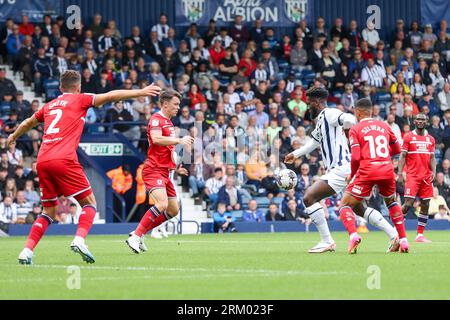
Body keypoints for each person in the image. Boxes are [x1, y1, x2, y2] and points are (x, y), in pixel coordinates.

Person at [8, 70, 162, 265]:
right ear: (79, 87)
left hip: (43, 160)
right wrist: (139, 92)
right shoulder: (80, 99)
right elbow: (110, 95)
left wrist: (13, 136)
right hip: (64, 158)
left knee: (49, 211)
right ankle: (79, 240)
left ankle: (26, 251)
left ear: (60, 88)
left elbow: (29, 122)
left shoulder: (49, 105)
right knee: (90, 204)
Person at [285, 88, 399, 253]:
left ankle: (327, 241)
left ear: (316, 102)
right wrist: (294, 154)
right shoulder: (321, 121)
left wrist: (350, 132)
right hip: (344, 169)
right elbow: (313, 143)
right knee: (359, 208)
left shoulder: (330, 113)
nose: (308, 107)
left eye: (309, 103)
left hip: (340, 169)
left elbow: (349, 119)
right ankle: (394, 234)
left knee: (309, 197)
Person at [338, 98, 409, 254]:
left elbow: (356, 157)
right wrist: (382, 157)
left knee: (344, 205)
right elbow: (398, 149)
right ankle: (403, 240)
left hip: (367, 170)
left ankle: (354, 236)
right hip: (387, 169)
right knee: (391, 202)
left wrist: (352, 175)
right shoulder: (385, 126)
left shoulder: (356, 129)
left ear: (357, 112)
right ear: (370, 111)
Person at [126, 90, 193, 253]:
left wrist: (177, 167)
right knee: (162, 204)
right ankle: (135, 235)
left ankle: (140, 233)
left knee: (173, 210)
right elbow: (156, 139)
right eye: (175, 104)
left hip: (165, 171)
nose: (178, 107)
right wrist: (179, 140)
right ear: (165, 104)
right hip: (153, 170)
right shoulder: (156, 119)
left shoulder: (169, 123)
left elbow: (167, 149)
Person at [397, 113, 436, 243]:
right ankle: (397, 231)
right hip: (412, 176)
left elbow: (432, 158)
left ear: (427, 122)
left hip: (426, 177)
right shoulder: (408, 137)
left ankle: (420, 235)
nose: (420, 121)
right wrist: (400, 173)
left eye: (423, 119)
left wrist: (434, 172)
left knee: (425, 204)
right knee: (408, 203)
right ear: (414, 121)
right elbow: (402, 156)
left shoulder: (431, 139)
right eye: (418, 119)